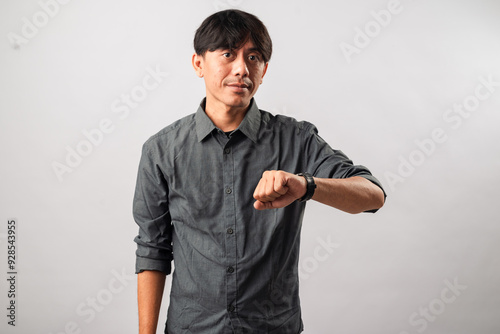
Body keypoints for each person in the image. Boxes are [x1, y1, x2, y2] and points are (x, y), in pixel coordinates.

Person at [133, 9, 386, 334]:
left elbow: (372, 196)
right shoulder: (161, 150)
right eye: (227, 54)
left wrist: (306, 186)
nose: (241, 69)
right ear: (198, 63)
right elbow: (153, 249)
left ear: (264, 70)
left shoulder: (296, 139)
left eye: (253, 57)